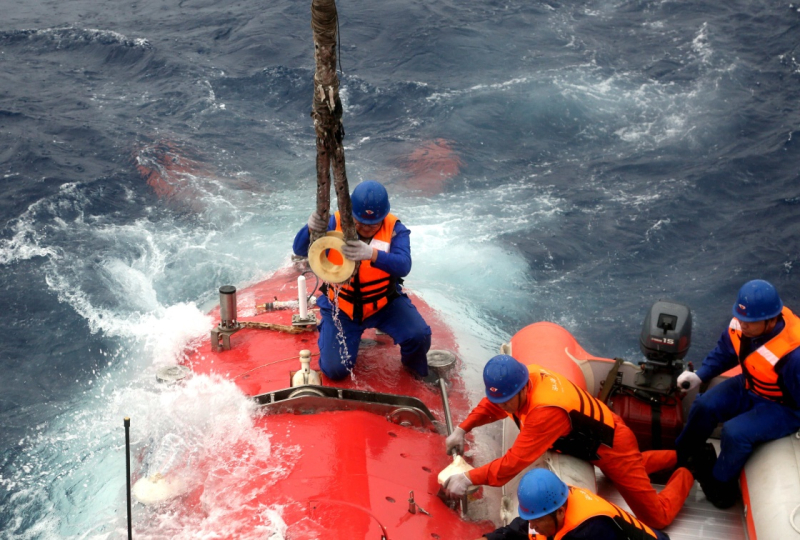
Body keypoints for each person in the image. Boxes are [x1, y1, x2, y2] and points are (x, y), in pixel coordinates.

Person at [443, 355, 693, 530]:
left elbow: (512, 464)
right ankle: (678, 455)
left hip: (613, 447)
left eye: (508, 400)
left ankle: (688, 469)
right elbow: (494, 404)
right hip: (595, 438)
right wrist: (464, 428)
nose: (504, 407)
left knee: (657, 517)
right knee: (631, 469)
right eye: (501, 401)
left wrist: (469, 478)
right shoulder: (523, 376)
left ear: (522, 389)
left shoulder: (546, 411)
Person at [674, 279, 800, 509]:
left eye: (750, 322)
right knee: (704, 406)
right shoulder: (741, 325)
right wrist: (701, 375)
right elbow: (726, 351)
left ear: (771, 320)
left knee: (734, 433)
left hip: (784, 406)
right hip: (751, 385)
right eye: (741, 318)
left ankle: (720, 486)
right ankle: (679, 457)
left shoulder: (795, 354)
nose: (743, 325)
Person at [292, 180, 432, 381]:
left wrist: (372, 254)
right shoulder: (335, 221)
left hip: (383, 303)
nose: (365, 228)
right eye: (360, 223)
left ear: (383, 218)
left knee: (419, 335)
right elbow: (299, 249)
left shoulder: (396, 229)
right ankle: (331, 331)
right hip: (341, 307)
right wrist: (309, 228)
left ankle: (411, 367)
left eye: (372, 224)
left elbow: (404, 265)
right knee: (334, 371)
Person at [475, 468, 670, 540]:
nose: (532, 526)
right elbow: (524, 526)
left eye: (536, 521)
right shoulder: (552, 502)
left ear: (560, 512)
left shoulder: (591, 530)